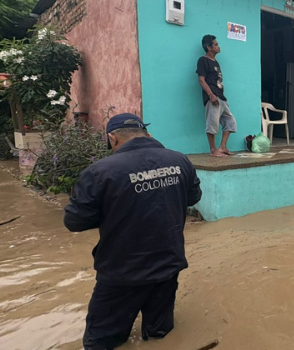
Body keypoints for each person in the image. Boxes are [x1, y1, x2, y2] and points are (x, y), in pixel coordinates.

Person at [64, 113, 203, 350]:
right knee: (161, 335)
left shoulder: (100, 172)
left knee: (102, 341)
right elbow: (193, 197)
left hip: (122, 271)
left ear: (112, 138)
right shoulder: (180, 161)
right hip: (168, 265)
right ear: (147, 134)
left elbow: (75, 221)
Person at [197, 34, 237, 157]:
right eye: (216, 44)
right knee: (212, 123)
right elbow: (201, 80)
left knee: (230, 122)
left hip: (221, 97)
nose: (218, 46)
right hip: (213, 97)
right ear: (208, 47)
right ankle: (213, 150)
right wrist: (211, 95)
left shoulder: (216, 62)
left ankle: (223, 147)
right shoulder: (203, 60)